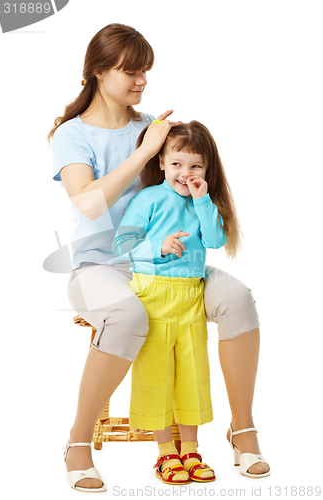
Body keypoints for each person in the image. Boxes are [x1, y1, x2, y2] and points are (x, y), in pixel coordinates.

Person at [49, 23, 270, 492]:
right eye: (130, 72)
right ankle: (77, 442)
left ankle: (242, 429)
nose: (141, 81)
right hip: (99, 267)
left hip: (172, 263)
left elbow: (189, 180)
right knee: (127, 315)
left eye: (145, 72)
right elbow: (88, 202)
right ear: (97, 72)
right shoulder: (72, 135)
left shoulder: (152, 126)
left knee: (238, 299)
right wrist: (146, 149)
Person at [112, 120, 231, 484]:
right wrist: (157, 247)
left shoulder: (202, 202)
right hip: (153, 292)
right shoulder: (147, 198)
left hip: (190, 296)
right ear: (162, 161)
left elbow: (214, 240)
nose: (186, 173)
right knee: (156, 374)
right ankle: (165, 453)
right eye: (177, 163)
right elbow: (123, 246)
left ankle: (191, 450)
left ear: (206, 168)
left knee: (193, 373)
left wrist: (202, 199)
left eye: (195, 165)